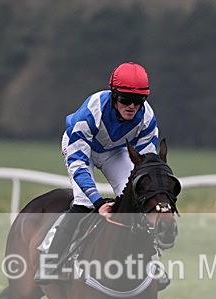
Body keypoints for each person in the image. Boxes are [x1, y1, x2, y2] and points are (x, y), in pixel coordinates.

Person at [36, 62, 159, 283]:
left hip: (115, 151)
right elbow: (79, 163)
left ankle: (153, 262)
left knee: (136, 197)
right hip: (81, 148)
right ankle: (51, 261)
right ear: (113, 96)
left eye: (139, 101)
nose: (132, 106)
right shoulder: (91, 111)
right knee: (83, 201)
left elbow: (146, 164)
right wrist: (98, 201)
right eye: (125, 99)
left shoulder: (147, 118)